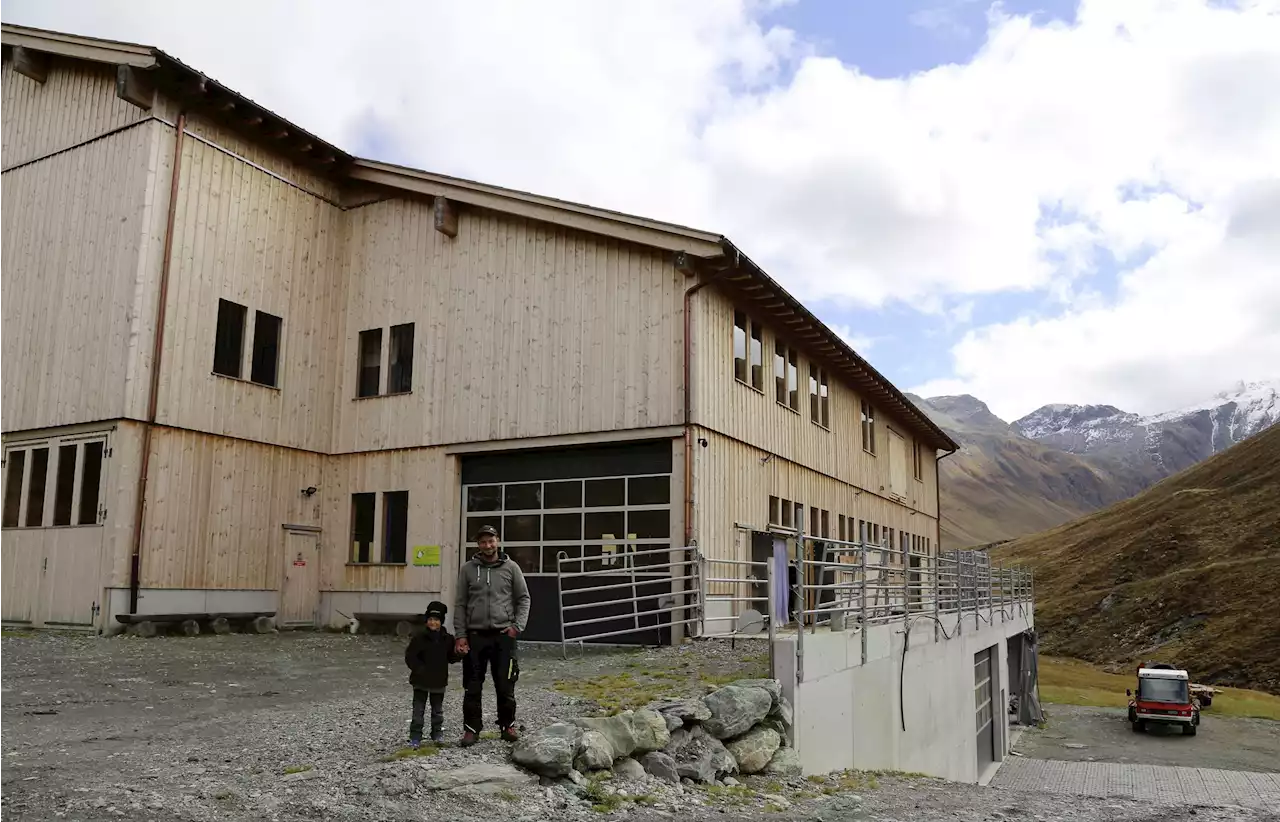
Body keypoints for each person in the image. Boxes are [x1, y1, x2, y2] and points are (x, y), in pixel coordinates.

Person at [454, 524, 531, 746]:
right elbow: (460, 603)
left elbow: (524, 598)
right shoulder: (468, 569)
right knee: (472, 685)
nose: (488, 546)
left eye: (491, 541)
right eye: (483, 542)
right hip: (475, 636)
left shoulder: (511, 568)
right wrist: (460, 635)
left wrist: (517, 626)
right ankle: (471, 729)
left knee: (506, 684)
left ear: (497, 541)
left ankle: (507, 726)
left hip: (503, 636)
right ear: (478, 544)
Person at [403, 600, 461, 747]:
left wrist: (460, 654)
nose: (433, 622)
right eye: (430, 619)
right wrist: (419, 669)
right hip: (420, 682)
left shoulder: (447, 639)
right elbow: (410, 657)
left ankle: (437, 734)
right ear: (426, 621)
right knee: (418, 712)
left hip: (439, 681)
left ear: (441, 621)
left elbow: (451, 658)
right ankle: (415, 736)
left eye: (436, 620)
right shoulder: (419, 637)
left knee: (437, 711)